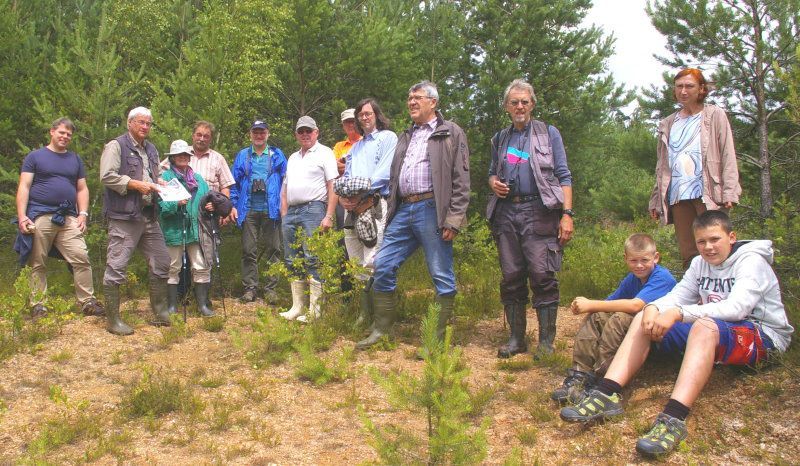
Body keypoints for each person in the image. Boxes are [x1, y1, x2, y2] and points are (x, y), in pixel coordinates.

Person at [560, 211, 793, 458]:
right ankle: (607, 392)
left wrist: (678, 313)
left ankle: (674, 418)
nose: (708, 247)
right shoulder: (699, 263)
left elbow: (737, 308)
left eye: (715, 239)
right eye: (701, 242)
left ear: (731, 237)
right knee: (644, 317)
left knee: (704, 326)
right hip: (718, 333)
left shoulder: (752, 262)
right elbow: (677, 296)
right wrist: (653, 308)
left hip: (762, 336)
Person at [359, 80, 470, 349]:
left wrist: (454, 219)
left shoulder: (450, 133)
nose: (411, 102)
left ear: (433, 102)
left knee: (441, 274)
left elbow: (461, 178)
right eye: (409, 98)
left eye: (417, 97)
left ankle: (435, 340)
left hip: (433, 210)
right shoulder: (406, 136)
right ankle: (382, 331)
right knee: (382, 263)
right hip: (404, 209)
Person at [487, 79, 574, 359]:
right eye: (514, 102)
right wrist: (493, 184)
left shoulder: (549, 133)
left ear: (532, 104)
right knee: (511, 276)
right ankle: (516, 339)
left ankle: (546, 343)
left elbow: (564, 175)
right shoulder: (500, 138)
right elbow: (491, 171)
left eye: (525, 101)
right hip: (506, 213)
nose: (520, 106)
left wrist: (567, 215)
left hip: (540, 212)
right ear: (506, 107)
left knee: (542, 275)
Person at [550, 234, 676, 404]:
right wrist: (590, 307)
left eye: (645, 260)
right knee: (597, 316)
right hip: (642, 331)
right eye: (633, 261)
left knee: (619, 318)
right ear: (626, 259)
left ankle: (603, 379)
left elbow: (635, 306)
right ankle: (580, 374)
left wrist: (591, 304)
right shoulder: (633, 279)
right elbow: (608, 303)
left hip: (662, 334)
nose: (639, 265)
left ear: (656, 257)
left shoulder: (662, 277)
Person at [649, 68, 741, 269]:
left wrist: (730, 190)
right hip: (679, 194)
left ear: (701, 89)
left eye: (689, 86)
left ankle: (724, 295)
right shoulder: (669, 123)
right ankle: (698, 297)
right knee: (689, 251)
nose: (683, 91)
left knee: (716, 245)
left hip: (708, 192)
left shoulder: (714, 114)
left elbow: (727, 153)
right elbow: (662, 165)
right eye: (679, 86)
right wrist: (657, 198)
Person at [15, 117, 104, 317]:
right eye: (62, 133)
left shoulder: (74, 159)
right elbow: (24, 187)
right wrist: (22, 217)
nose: (65, 137)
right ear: (52, 132)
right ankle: (38, 304)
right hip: (40, 213)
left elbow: (82, 188)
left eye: (69, 135)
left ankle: (87, 301)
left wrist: (83, 213)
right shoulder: (35, 157)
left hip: (68, 217)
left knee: (81, 257)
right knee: (37, 261)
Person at [100, 106, 171, 335]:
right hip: (125, 217)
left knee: (162, 261)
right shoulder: (116, 146)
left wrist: (162, 184)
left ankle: (160, 313)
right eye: (141, 122)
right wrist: (134, 184)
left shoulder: (151, 149)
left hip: (149, 215)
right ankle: (113, 321)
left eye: (148, 123)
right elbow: (107, 176)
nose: (145, 127)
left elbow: (154, 175)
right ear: (130, 123)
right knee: (117, 266)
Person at [337, 98, 397, 328]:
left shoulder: (387, 138)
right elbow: (345, 179)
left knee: (373, 260)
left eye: (368, 113)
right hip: (351, 209)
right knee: (355, 261)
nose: (364, 117)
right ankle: (363, 314)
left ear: (376, 115)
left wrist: (356, 189)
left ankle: (380, 320)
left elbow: (383, 174)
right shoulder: (356, 147)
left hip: (373, 205)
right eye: (360, 114)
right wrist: (344, 195)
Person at [278, 116, 339, 322]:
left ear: (316, 132)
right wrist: (284, 212)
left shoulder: (325, 153)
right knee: (292, 259)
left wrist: (329, 215)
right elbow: (285, 188)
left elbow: (333, 185)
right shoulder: (293, 157)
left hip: (314, 209)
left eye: (309, 131)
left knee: (313, 258)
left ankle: (316, 310)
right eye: (301, 131)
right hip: (291, 212)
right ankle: (297, 307)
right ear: (296, 134)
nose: (305, 134)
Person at [230, 120, 287, 303]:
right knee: (248, 250)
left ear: (268, 134)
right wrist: (232, 204)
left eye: (262, 132)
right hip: (248, 208)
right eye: (256, 132)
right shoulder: (243, 155)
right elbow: (234, 183)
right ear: (250, 134)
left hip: (272, 209)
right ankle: (250, 288)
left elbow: (287, 180)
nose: (259, 135)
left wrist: (285, 204)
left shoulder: (277, 155)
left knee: (274, 249)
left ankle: (271, 289)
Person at [158, 140, 214, 317]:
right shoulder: (166, 179)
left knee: (201, 266)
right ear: (172, 158)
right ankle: (172, 306)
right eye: (178, 155)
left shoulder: (197, 179)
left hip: (196, 230)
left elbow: (207, 199)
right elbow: (161, 208)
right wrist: (176, 204)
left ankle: (202, 305)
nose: (182, 157)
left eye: (185, 155)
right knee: (173, 267)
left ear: (189, 157)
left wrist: (211, 206)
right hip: (174, 229)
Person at [332, 108, 362, 176]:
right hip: (341, 185)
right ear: (343, 125)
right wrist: (356, 167)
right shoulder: (339, 146)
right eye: (347, 122)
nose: (350, 125)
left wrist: (344, 165)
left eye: (353, 121)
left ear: (359, 123)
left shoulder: (366, 142)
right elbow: (333, 167)